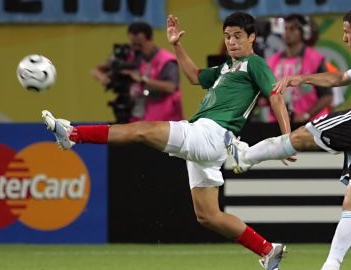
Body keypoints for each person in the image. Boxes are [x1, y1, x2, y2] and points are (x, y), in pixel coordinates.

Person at [42, 12, 291, 270]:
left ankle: (72, 135)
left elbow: (275, 96)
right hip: (206, 140)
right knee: (208, 216)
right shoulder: (226, 67)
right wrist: (176, 44)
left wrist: (287, 139)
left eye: (238, 36)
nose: (232, 42)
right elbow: (195, 76)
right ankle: (267, 249)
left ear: (252, 37)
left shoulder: (255, 64)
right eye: (227, 36)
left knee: (142, 130)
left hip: (210, 133)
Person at [225, 7, 351, 270]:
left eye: (346, 32)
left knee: (300, 136)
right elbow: (340, 77)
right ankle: (331, 266)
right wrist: (303, 79)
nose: (344, 39)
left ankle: (245, 157)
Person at [91, 21, 183, 123]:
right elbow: (95, 70)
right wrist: (104, 79)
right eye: (133, 44)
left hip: (163, 121)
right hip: (136, 117)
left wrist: (142, 80)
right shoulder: (130, 55)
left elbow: (171, 87)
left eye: (139, 45)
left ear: (150, 40)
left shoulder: (166, 60)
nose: (135, 48)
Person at [253, 14, 334, 123]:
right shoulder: (272, 61)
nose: (287, 33)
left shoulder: (315, 59)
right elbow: (265, 97)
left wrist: (306, 115)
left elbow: (327, 96)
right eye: (285, 29)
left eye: (292, 29)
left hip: (312, 124)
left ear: (304, 33)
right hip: (278, 124)